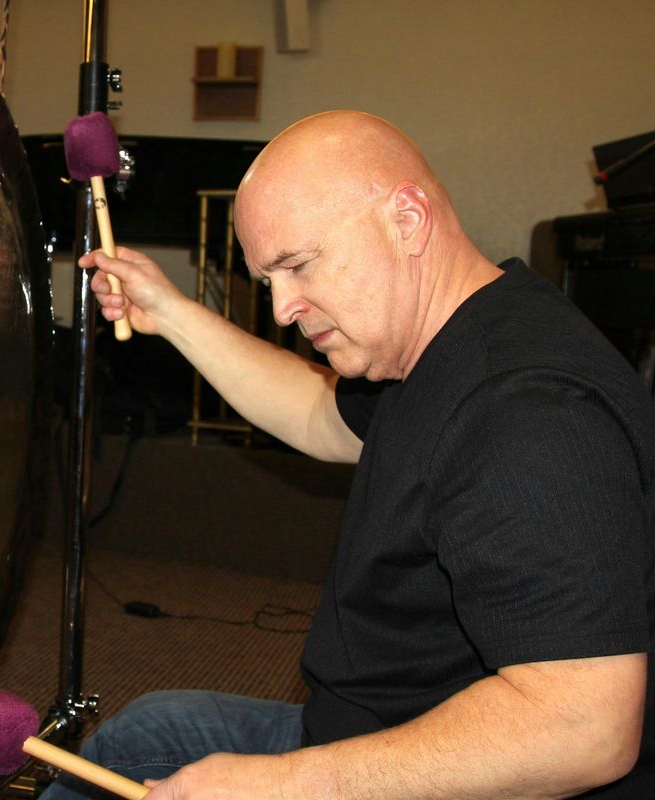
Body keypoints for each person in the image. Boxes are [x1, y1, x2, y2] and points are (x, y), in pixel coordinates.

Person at [42, 111, 655, 799]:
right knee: (146, 735)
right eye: (267, 277)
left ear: (408, 219)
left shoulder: (529, 414)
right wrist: (170, 311)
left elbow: (583, 727)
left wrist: (290, 785)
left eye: (297, 265)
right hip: (364, 729)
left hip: (438, 769)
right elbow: (313, 412)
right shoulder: (442, 342)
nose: (280, 308)